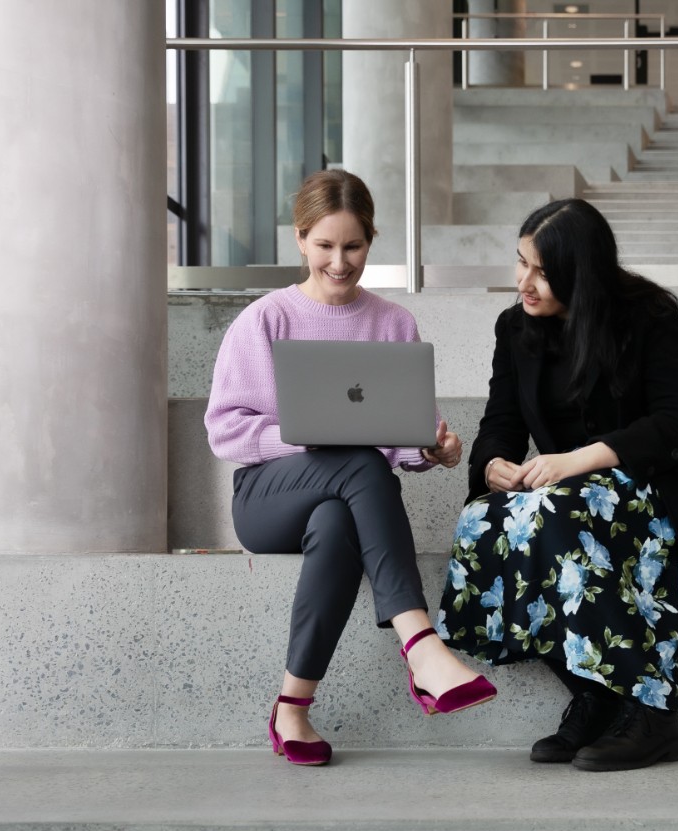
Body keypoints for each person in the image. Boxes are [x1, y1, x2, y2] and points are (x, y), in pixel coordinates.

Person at [436, 198, 678, 772]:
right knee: (484, 519)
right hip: (563, 492)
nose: (524, 282)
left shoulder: (647, 314)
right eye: (520, 263)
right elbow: (498, 422)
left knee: (554, 513)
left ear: (582, 273)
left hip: (652, 484)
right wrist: (493, 465)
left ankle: (655, 711)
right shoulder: (514, 326)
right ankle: (597, 694)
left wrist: (577, 460)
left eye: (543, 271)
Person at [205, 169, 497, 767]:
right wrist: (310, 440)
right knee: (355, 461)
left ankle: (292, 707)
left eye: (354, 246)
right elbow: (224, 429)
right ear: (300, 239)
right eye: (325, 246)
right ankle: (420, 642)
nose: (340, 262)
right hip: (267, 499)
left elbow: (405, 437)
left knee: (340, 522)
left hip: (342, 496)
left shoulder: (393, 324)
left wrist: (432, 450)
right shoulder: (265, 320)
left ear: (371, 241)